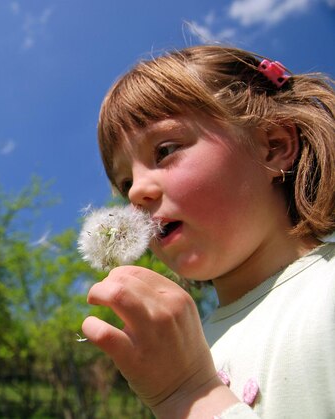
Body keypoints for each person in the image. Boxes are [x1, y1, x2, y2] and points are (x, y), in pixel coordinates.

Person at [81, 45, 335, 418]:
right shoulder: (183, 350)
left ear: (273, 145)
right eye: (125, 182)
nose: (135, 192)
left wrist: (191, 395)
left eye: (165, 150)